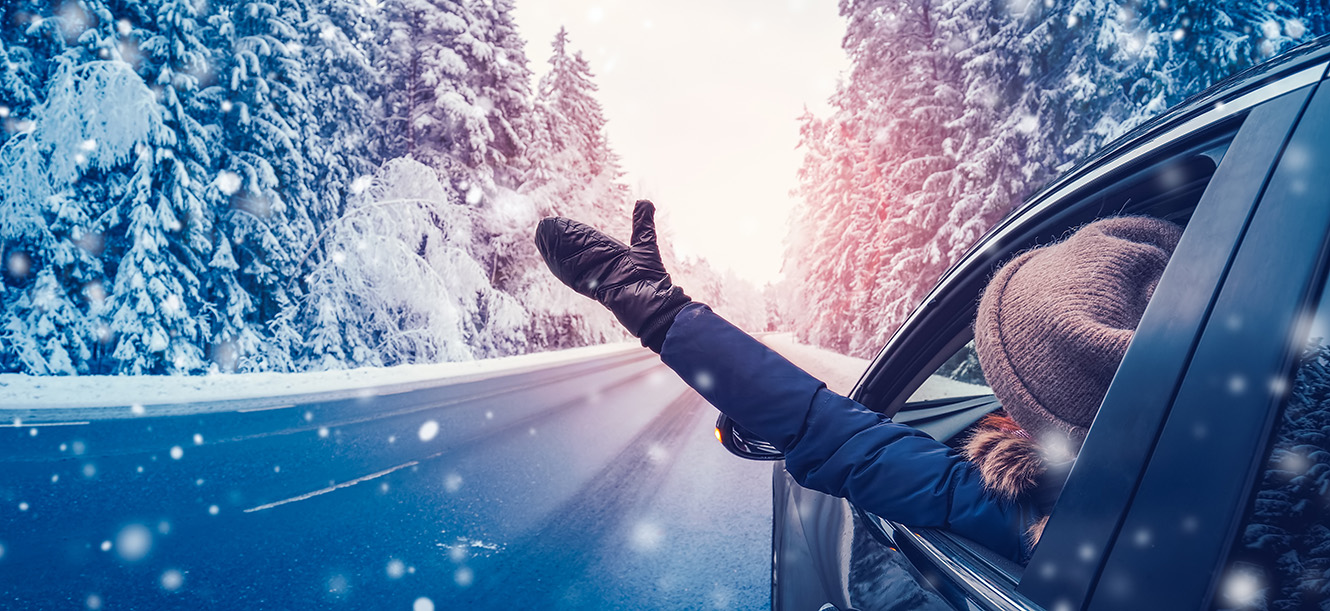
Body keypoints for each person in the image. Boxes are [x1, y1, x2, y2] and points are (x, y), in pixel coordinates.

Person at [534, 200, 1181, 564]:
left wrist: (658, 311)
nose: (995, 401)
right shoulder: (1206, 494)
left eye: (1004, 385)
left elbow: (830, 431)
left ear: (1049, 412)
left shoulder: (1038, 514)